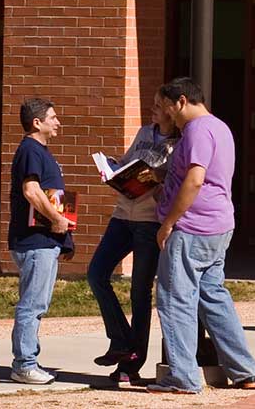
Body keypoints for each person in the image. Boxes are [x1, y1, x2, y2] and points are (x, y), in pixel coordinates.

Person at [149, 77, 255, 395]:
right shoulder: (220, 128)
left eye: (167, 106)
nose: (166, 113)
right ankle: (244, 370)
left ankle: (183, 376)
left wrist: (168, 222)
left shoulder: (197, 131)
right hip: (218, 224)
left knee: (175, 300)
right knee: (213, 296)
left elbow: (196, 180)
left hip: (192, 228)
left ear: (181, 101)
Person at [86, 104, 178, 385]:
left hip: (149, 221)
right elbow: (129, 161)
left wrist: (153, 180)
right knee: (96, 274)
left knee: (140, 292)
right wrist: (114, 169)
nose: (154, 108)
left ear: (172, 112)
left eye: (160, 105)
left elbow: (172, 182)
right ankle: (121, 340)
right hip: (122, 215)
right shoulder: (143, 132)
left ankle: (131, 363)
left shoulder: (179, 145)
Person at [8, 98, 77, 385]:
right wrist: (57, 221)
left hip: (45, 242)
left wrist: (64, 235)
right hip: (35, 242)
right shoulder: (30, 150)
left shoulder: (38, 152)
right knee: (32, 305)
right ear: (37, 122)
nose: (57, 122)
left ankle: (28, 361)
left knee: (37, 303)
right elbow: (32, 192)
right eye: (53, 117)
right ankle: (24, 364)